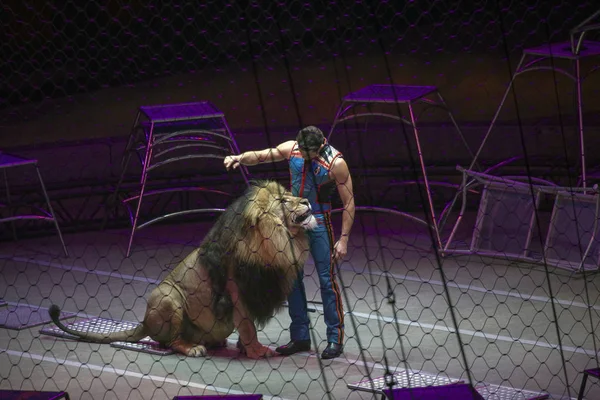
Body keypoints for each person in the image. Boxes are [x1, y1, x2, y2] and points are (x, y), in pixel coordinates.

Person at [224, 126, 355, 359]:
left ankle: (335, 338)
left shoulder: (336, 163)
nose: (304, 156)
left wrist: (343, 240)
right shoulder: (292, 149)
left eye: (309, 153)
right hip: (293, 221)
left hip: (320, 221)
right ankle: (300, 336)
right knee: (292, 280)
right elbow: (263, 155)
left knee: (327, 279)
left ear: (321, 145)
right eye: (302, 152)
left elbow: (349, 202)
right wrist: (239, 158)